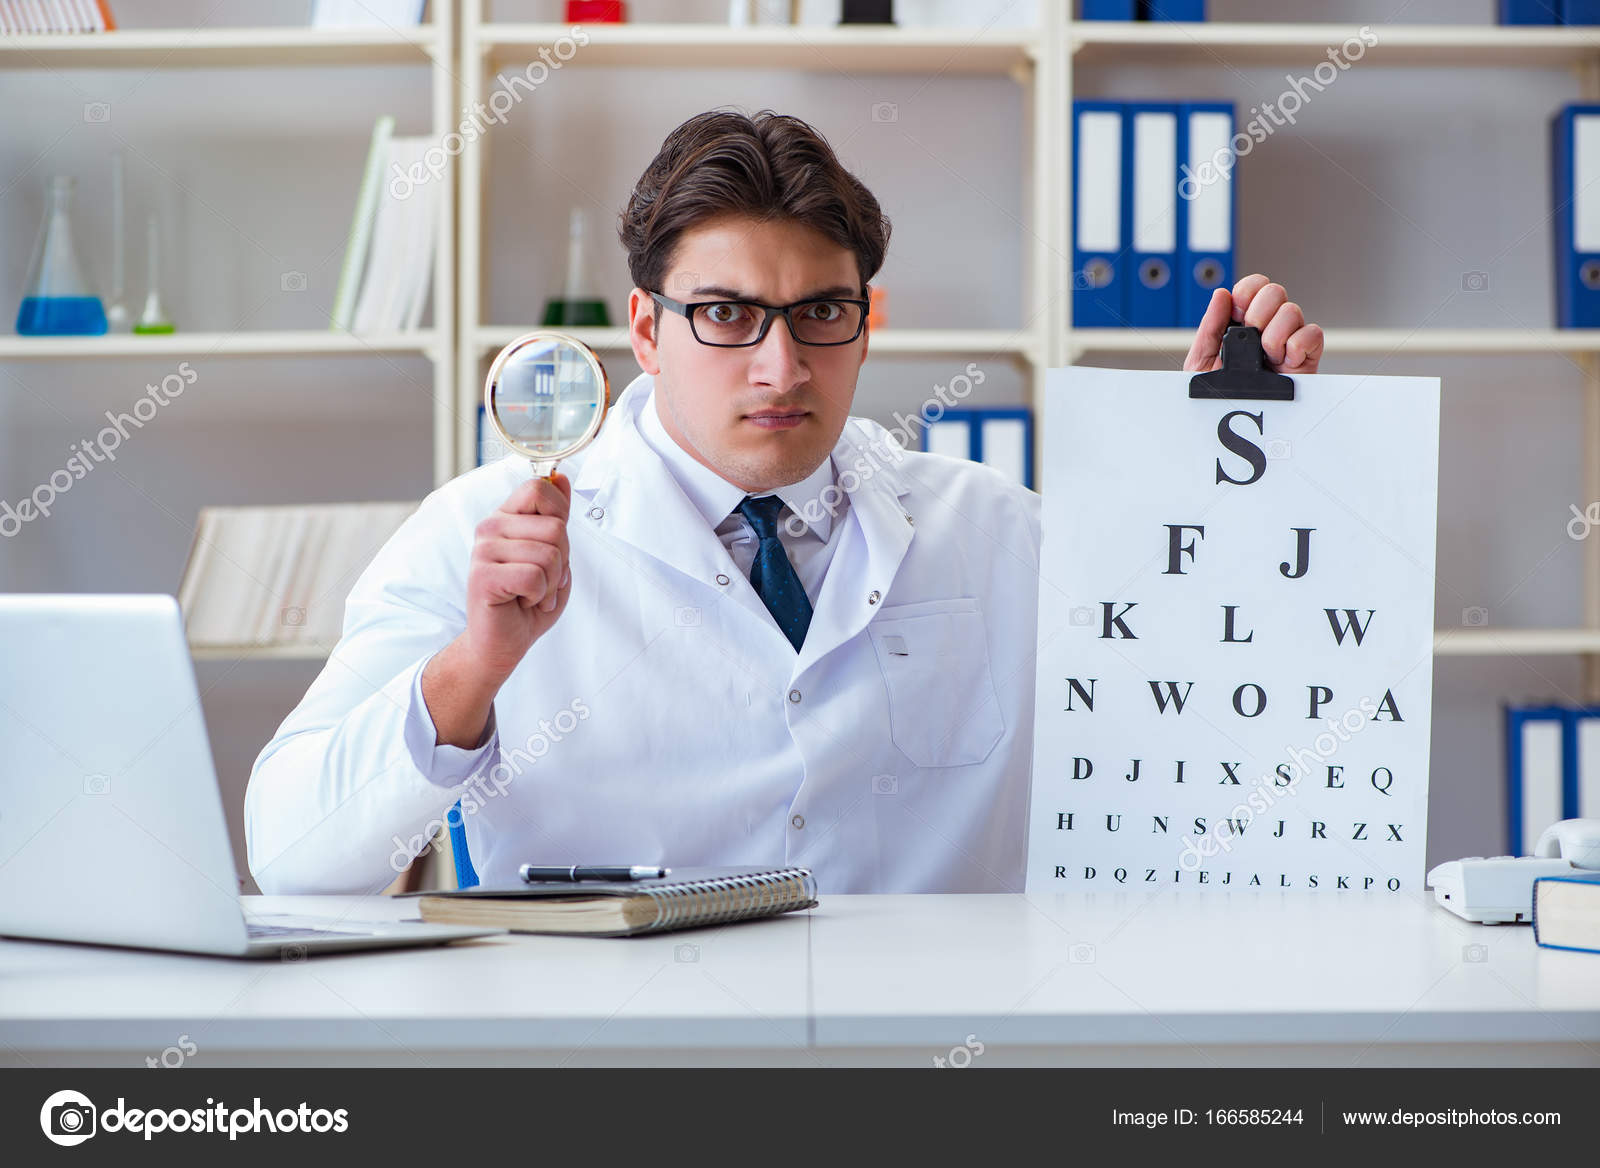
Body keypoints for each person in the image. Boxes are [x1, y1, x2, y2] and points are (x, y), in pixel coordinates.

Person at [245, 109, 1323, 895]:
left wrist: (1224, 476)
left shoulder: (997, 530)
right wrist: (473, 671)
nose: (782, 366)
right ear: (646, 329)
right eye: (726, 314)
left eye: (821, 312)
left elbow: (1211, 718)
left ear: (866, 321)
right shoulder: (480, 534)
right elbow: (294, 855)